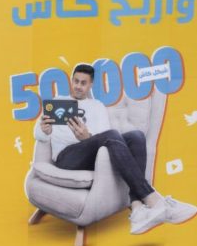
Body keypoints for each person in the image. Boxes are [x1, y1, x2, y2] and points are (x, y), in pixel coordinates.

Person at [34, 63, 196, 234]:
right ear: (71, 81)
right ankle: (155, 200)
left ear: (90, 85)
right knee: (111, 134)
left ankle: (137, 209)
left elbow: (104, 135)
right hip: (67, 158)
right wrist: (44, 131)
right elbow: (39, 134)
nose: (78, 86)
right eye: (76, 81)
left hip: (93, 155)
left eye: (83, 83)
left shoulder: (97, 106)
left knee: (136, 136)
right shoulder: (58, 102)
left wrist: (87, 137)